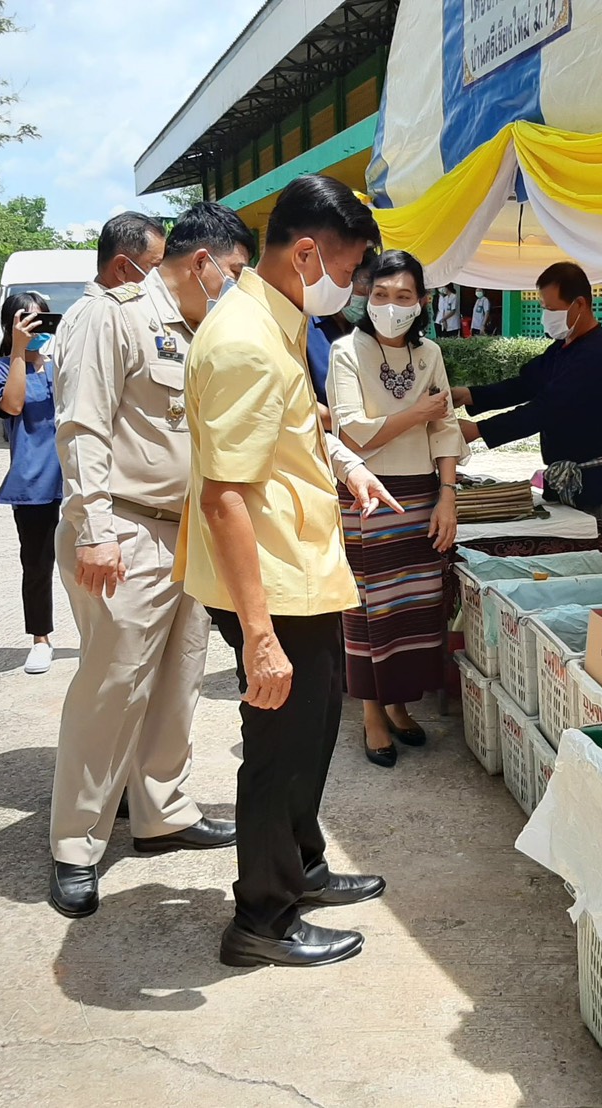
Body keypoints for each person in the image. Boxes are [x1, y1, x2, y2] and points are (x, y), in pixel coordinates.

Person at [180, 174, 397, 968]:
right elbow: (226, 497)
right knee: (278, 749)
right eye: (349, 270)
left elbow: (297, 426)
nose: (354, 287)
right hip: (269, 583)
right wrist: (260, 637)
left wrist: (343, 467)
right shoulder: (243, 339)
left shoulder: (277, 315)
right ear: (307, 253)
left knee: (312, 729)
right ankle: (262, 920)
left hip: (300, 569)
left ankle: (300, 867)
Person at [45, 204, 252, 918]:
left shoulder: (197, 330)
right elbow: (82, 426)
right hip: (126, 531)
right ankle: (76, 842)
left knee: (178, 678)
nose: (237, 286)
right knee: (113, 687)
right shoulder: (113, 314)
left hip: (187, 530)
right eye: (234, 272)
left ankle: (163, 811)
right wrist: (93, 529)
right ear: (202, 263)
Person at [328, 249, 467, 768]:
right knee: (368, 604)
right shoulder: (347, 352)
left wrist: (448, 494)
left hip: (422, 493)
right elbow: (353, 433)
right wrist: (419, 413)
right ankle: (370, 712)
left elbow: (446, 427)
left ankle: (400, 703)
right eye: (381, 295)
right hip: (364, 493)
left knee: (416, 603)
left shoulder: (429, 353)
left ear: (422, 301)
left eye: (403, 296)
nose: (391, 305)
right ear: (367, 297)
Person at [452, 262, 602, 556]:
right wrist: (469, 396)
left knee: (594, 563)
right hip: (566, 479)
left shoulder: (595, 356)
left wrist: (478, 431)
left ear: (579, 304)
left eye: (551, 308)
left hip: (597, 484)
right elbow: (526, 384)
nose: (546, 316)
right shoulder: (564, 348)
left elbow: (546, 409)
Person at [0, 291, 63, 675]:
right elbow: (12, 406)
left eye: (41, 319)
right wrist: (19, 352)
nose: (36, 327)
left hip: (80, 476)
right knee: (37, 563)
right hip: (35, 482)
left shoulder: (62, 364)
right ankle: (41, 638)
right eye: (25, 320)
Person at [306, 256, 375, 429]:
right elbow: (299, 404)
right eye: (362, 293)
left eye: (373, 295)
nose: (366, 302)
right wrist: (352, 427)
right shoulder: (306, 330)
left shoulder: (370, 331)